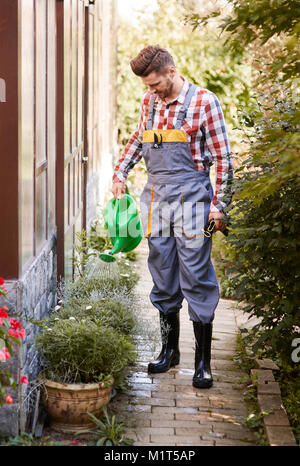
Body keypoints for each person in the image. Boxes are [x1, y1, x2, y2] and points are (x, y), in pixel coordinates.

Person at [112, 45, 233, 389]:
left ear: (171, 71)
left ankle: (202, 362)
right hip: (156, 197)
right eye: (146, 86)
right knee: (162, 272)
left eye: (154, 84)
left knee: (195, 274)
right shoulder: (150, 102)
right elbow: (139, 138)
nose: (149, 91)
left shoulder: (204, 102)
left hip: (194, 198)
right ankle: (169, 351)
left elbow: (224, 157)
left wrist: (219, 205)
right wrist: (120, 172)